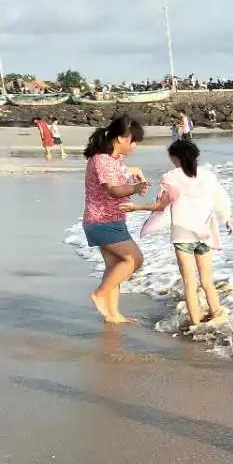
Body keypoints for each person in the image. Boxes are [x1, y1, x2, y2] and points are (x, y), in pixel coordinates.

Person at [121, 139, 233, 328]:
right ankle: (217, 315)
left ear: (175, 158)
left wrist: (136, 207)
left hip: (183, 235)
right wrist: (227, 219)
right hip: (205, 233)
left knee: (189, 282)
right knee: (207, 280)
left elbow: (160, 205)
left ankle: (196, 324)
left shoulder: (170, 178)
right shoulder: (208, 176)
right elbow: (220, 199)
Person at [82, 116, 148, 325]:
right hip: (103, 221)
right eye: (133, 141)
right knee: (134, 259)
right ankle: (99, 294)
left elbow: (116, 172)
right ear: (121, 138)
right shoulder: (102, 159)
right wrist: (135, 188)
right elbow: (112, 190)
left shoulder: (113, 159)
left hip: (109, 220)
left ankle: (112, 315)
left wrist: (133, 170)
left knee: (115, 266)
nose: (135, 146)